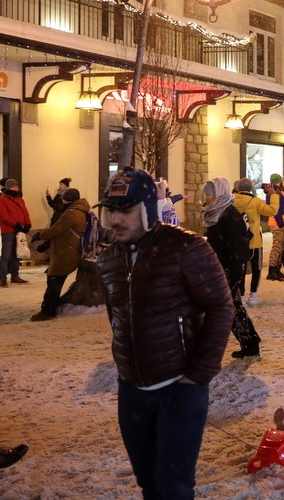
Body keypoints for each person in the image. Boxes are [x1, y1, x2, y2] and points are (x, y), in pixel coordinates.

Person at [95, 167, 233, 499]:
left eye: (125, 210)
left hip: (179, 388)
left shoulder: (187, 248)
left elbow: (221, 307)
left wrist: (198, 374)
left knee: (174, 486)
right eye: (111, 210)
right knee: (148, 482)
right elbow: (118, 315)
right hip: (132, 388)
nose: (116, 219)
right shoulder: (108, 259)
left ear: (146, 209)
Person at [203, 177, 261, 358]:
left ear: (218, 193)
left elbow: (238, 246)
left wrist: (235, 275)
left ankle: (249, 343)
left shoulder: (229, 214)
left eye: (209, 193)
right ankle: (250, 343)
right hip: (219, 268)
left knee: (228, 309)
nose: (206, 197)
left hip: (228, 270)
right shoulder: (217, 212)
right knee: (231, 309)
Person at [29, 188, 89, 321]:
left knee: (54, 280)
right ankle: (51, 308)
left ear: (68, 200)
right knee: (56, 280)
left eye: (63, 199)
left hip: (65, 253)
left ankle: (48, 311)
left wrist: (40, 235)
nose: (61, 201)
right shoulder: (80, 210)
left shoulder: (72, 213)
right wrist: (47, 244)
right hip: (67, 250)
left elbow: (57, 229)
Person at [232, 178, 278, 305]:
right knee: (256, 268)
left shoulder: (231, 201)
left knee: (239, 269)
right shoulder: (255, 202)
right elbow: (272, 210)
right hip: (254, 241)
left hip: (238, 241)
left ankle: (240, 295)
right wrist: (273, 195)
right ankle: (253, 295)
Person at [0, 179, 31, 287]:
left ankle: (15, 275)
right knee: (6, 254)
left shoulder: (20, 200)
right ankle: (2, 277)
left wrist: (28, 224)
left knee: (17, 254)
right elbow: (4, 217)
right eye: (14, 186)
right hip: (8, 231)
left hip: (19, 232)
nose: (16, 188)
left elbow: (25, 213)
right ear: (9, 187)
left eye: (17, 186)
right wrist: (15, 224)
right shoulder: (2, 200)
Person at [265, 173, 284, 281]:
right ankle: (272, 271)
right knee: (276, 248)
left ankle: (277, 270)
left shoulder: (278, 191)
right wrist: (280, 222)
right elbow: (276, 209)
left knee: (280, 248)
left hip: (281, 222)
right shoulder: (273, 192)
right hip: (277, 223)